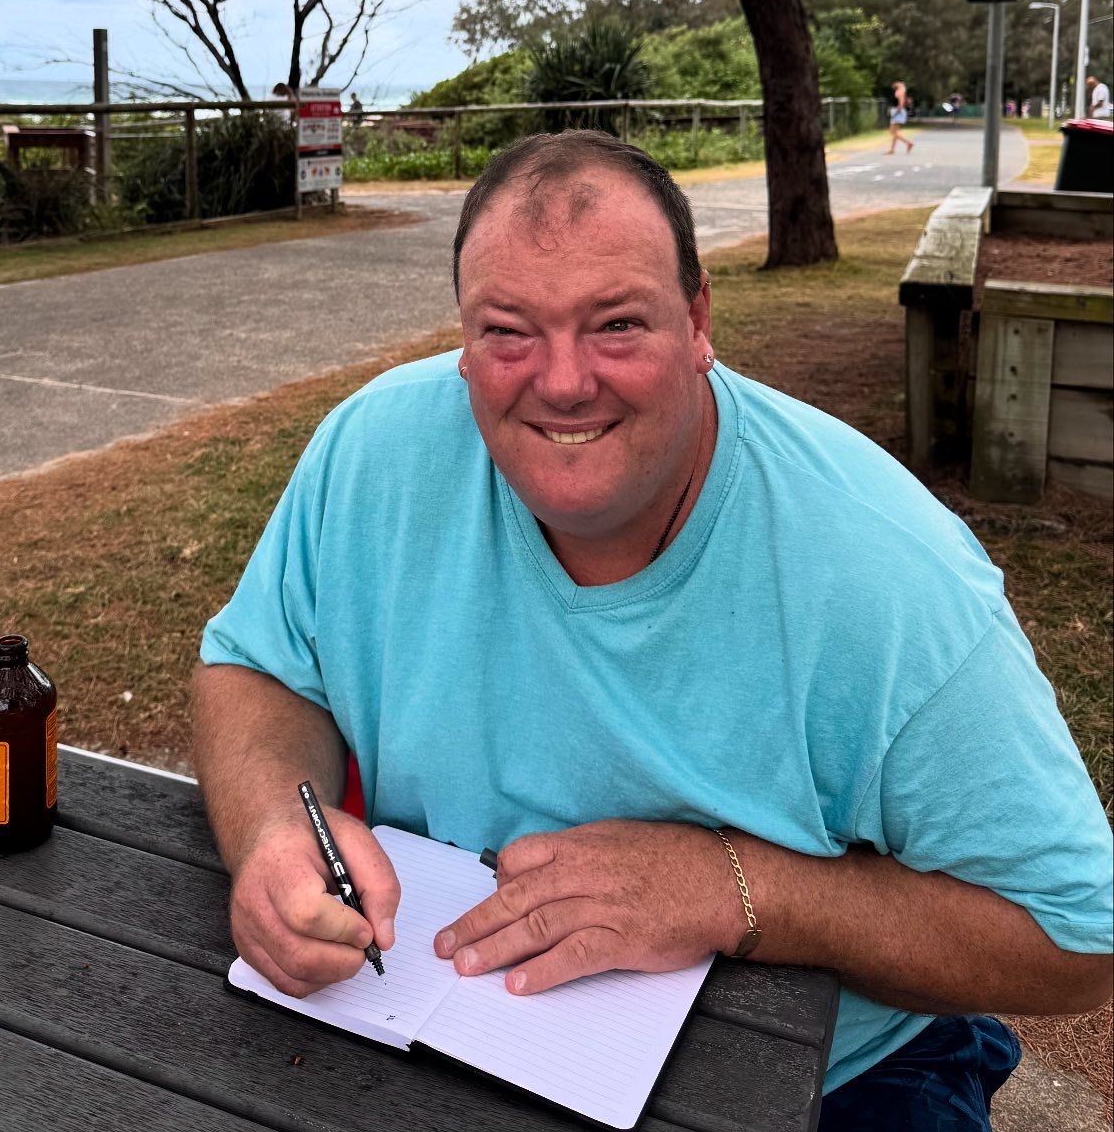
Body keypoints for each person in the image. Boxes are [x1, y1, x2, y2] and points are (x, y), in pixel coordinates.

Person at [195, 131, 1112, 1127]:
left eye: (616, 324)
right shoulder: (374, 452)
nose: (563, 381)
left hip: (838, 1076)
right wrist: (273, 828)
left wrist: (738, 889)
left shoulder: (887, 574)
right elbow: (257, 669)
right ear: (464, 337)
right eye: (508, 330)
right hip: (457, 1028)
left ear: (700, 319)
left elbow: (1075, 940)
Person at [886, 81, 913, 154]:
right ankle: (892, 150)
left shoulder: (900, 92)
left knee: (892, 131)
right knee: (895, 132)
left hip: (898, 112)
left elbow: (901, 104)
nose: (895, 84)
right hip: (896, 111)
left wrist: (895, 113)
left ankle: (908, 143)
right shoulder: (899, 91)